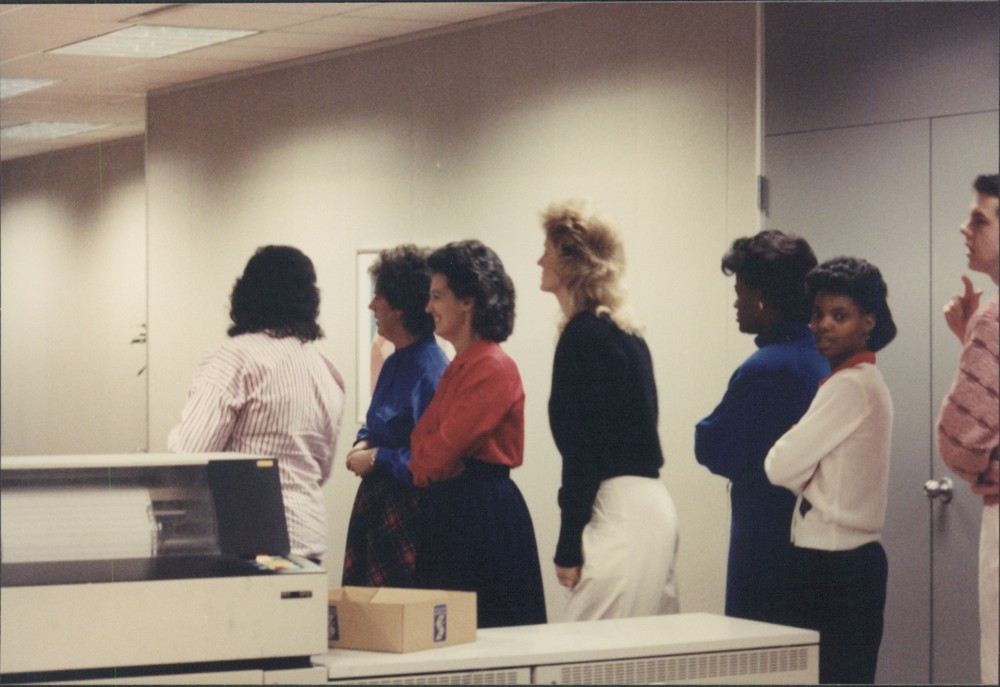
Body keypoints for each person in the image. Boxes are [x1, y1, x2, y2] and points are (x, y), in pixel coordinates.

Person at [538, 200, 679, 620]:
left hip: (620, 512)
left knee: (584, 649)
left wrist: (568, 545)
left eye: (547, 250)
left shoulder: (582, 336)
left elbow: (582, 450)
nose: (540, 260)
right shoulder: (625, 333)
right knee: (644, 649)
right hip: (651, 508)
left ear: (571, 260)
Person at [764, 256, 897, 684]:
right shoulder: (864, 381)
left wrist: (802, 458)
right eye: (818, 314)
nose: (822, 325)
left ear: (868, 322)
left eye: (840, 316)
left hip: (832, 565)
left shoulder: (850, 385)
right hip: (849, 564)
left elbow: (778, 466)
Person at [168, 245, 346, 564]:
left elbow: (189, 455)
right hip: (307, 539)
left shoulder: (234, 358)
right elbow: (321, 468)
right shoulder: (326, 369)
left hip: (246, 542)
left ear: (247, 293)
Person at [408, 240, 547, 628]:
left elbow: (438, 452)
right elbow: (421, 448)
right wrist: (435, 460)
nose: (428, 307)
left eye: (437, 296)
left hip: (483, 519)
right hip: (454, 512)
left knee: (485, 635)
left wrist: (437, 460)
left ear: (468, 301)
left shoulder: (492, 366)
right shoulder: (460, 365)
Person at [694, 230, 829, 625]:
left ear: (764, 297)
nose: (736, 303)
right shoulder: (822, 359)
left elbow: (711, 445)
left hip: (765, 534)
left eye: (741, 292)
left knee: (757, 643)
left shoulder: (766, 368)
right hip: (813, 536)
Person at [342, 245, 450, 587]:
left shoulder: (431, 371)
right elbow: (376, 424)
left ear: (400, 307)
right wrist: (363, 443)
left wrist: (377, 457)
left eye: (379, 297)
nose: (372, 305)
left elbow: (433, 459)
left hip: (408, 512)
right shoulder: (393, 362)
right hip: (379, 505)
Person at [936, 173, 999, 685]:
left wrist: (975, 336)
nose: (965, 228)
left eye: (979, 219)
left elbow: (958, 440)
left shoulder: (993, 320)